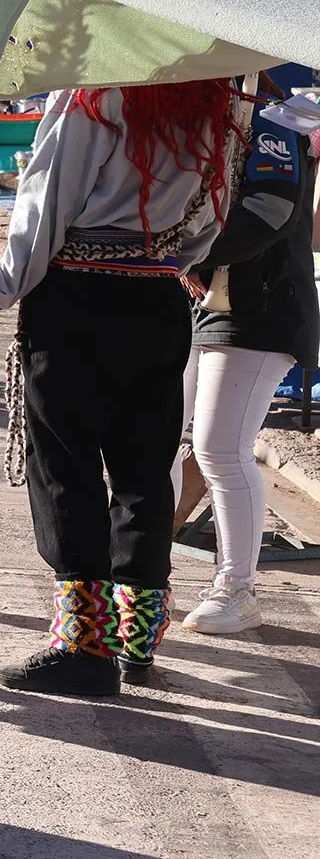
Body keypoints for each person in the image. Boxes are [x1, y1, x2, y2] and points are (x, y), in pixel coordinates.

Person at [0, 0, 231, 696]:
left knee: (66, 467)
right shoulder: (212, 102)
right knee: (144, 466)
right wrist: (168, 257)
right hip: (157, 301)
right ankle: (140, 641)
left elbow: (41, 215)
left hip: (75, 303)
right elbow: (212, 220)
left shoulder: (91, 98)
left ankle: (86, 649)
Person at [171, 68, 317, 635]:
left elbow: (271, 212)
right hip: (205, 305)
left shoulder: (271, 122)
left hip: (259, 308)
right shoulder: (205, 120)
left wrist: (181, 256)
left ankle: (238, 589)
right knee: (161, 441)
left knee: (222, 448)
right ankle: (140, 570)